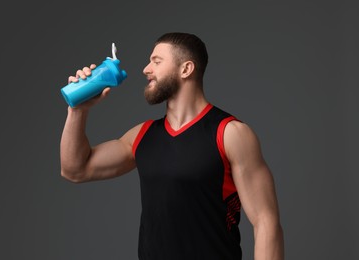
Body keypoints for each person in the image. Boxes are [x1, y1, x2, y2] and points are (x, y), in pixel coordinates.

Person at [60, 32, 284, 260]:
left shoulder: (230, 134)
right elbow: (75, 169)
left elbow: (266, 222)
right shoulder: (141, 135)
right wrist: (78, 111)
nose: (146, 69)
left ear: (186, 69)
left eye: (156, 62)